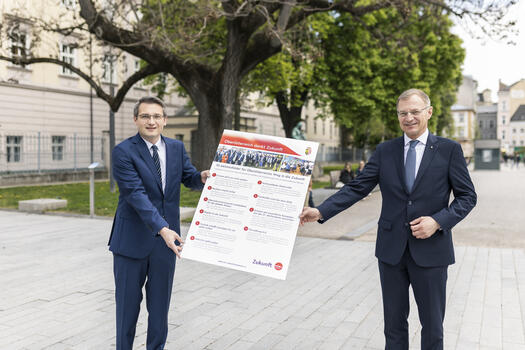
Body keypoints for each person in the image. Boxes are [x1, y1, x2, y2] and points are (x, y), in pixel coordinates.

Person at [300, 89, 477, 350]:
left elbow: (467, 197)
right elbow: (357, 187)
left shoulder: (448, 150)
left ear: (428, 112)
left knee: (433, 326)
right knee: (393, 325)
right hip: (391, 251)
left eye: (415, 111)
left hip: (431, 251)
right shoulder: (385, 150)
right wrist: (321, 211)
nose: (409, 118)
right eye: (403, 113)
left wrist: (438, 221)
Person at [108, 96, 210, 350]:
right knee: (127, 310)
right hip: (132, 242)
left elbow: (188, 177)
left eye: (156, 116)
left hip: (166, 244)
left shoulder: (175, 148)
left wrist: (203, 177)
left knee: (159, 309)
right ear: (136, 120)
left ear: (164, 120)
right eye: (145, 116)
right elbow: (135, 194)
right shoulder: (123, 151)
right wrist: (162, 228)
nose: (151, 121)